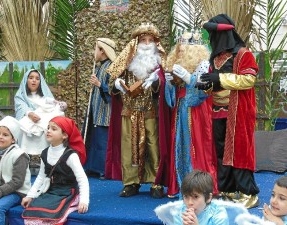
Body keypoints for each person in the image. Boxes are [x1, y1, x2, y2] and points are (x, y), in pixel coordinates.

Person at [198, 14, 260, 208]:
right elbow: (215, 84)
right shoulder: (215, 57)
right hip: (218, 110)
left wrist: (220, 79)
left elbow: (249, 80)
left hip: (238, 112)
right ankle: (227, 190)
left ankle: (248, 193)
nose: (211, 39)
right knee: (221, 152)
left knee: (239, 152)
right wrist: (207, 85)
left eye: (213, 35)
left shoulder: (243, 54)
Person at [105, 22, 171, 198]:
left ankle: (155, 182)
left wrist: (157, 82)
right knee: (129, 147)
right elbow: (111, 81)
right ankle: (130, 183)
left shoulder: (160, 63)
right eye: (143, 40)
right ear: (136, 42)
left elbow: (168, 86)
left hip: (151, 111)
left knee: (153, 146)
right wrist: (116, 84)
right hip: (129, 111)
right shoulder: (126, 62)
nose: (147, 44)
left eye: (151, 40)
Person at [164, 31, 218, 197]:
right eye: (179, 49)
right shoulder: (177, 67)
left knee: (197, 147)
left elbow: (204, 93)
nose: (181, 52)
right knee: (180, 145)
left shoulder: (204, 65)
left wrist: (190, 79)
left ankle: (200, 188)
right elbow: (172, 99)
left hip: (197, 114)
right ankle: (180, 185)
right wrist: (169, 84)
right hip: (181, 111)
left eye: (184, 49)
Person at [21, 116, 88, 225]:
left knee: (52, 216)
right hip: (51, 191)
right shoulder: (45, 153)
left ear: (64, 135)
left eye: (54, 129)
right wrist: (30, 195)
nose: (48, 130)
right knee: (33, 211)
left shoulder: (71, 156)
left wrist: (84, 201)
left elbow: (82, 179)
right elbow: (41, 177)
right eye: (48, 128)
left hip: (67, 192)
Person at [14, 69, 67, 174]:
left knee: (52, 122)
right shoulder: (20, 96)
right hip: (28, 121)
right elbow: (21, 107)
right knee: (23, 125)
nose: (34, 81)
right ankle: (24, 160)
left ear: (40, 82)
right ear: (26, 80)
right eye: (31, 78)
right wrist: (29, 113)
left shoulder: (45, 97)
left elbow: (52, 106)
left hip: (42, 121)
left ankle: (48, 159)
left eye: (37, 79)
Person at [82, 38, 116, 179]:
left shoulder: (111, 68)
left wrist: (99, 84)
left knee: (103, 142)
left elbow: (114, 91)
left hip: (105, 112)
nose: (94, 52)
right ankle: (91, 167)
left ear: (102, 50)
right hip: (95, 110)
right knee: (93, 138)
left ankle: (103, 169)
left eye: (96, 48)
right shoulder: (99, 66)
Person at [0, 116, 31, 225]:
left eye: (5, 135)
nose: (0, 137)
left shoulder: (19, 155)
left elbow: (17, 181)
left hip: (16, 192)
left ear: (13, 139)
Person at [155, 170, 229, 225]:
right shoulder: (180, 212)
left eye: (195, 197)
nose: (190, 202)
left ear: (209, 198)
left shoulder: (219, 214)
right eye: (186, 197)